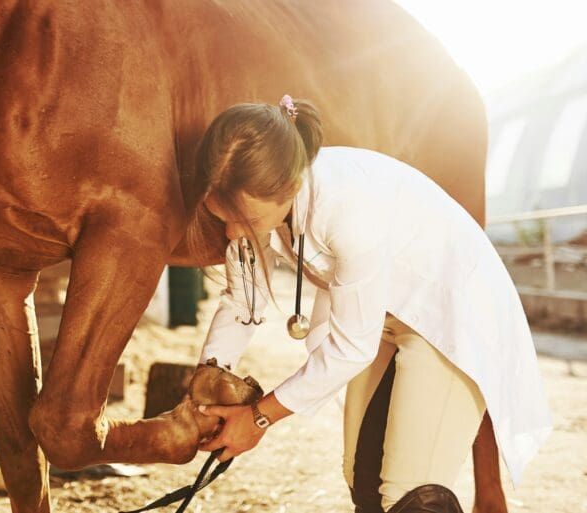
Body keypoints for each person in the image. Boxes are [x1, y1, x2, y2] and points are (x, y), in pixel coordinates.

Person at [190, 95, 552, 513]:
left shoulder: (346, 207)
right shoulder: (251, 207)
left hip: (451, 316)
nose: (233, 233)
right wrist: (206, 382)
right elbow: (241, 303)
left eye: (246, 220)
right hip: (384, 316)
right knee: (361, 476)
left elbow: (351, 348)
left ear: (287, 188)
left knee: (408, 494)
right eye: (222, 216)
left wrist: (258, 418)